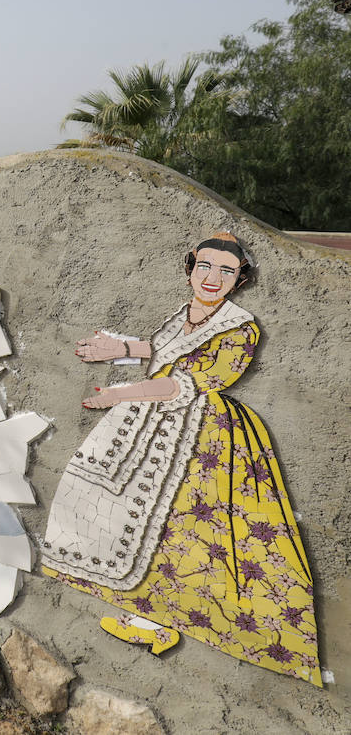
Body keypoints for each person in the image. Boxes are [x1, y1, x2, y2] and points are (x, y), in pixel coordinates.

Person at [38, 233, 321, 686]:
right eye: (205, 266)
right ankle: (130, 600)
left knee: (187, 528)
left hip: (204, 434)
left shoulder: (241, 327)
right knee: (119, 503)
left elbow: (188, 382)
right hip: (151, 418)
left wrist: (121, 393)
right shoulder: (187, 311)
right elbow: (164, 349)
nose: (213, 278)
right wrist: (121, 349)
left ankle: (164, 623)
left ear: (240, 279)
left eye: (227, 271)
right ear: (190, 268)